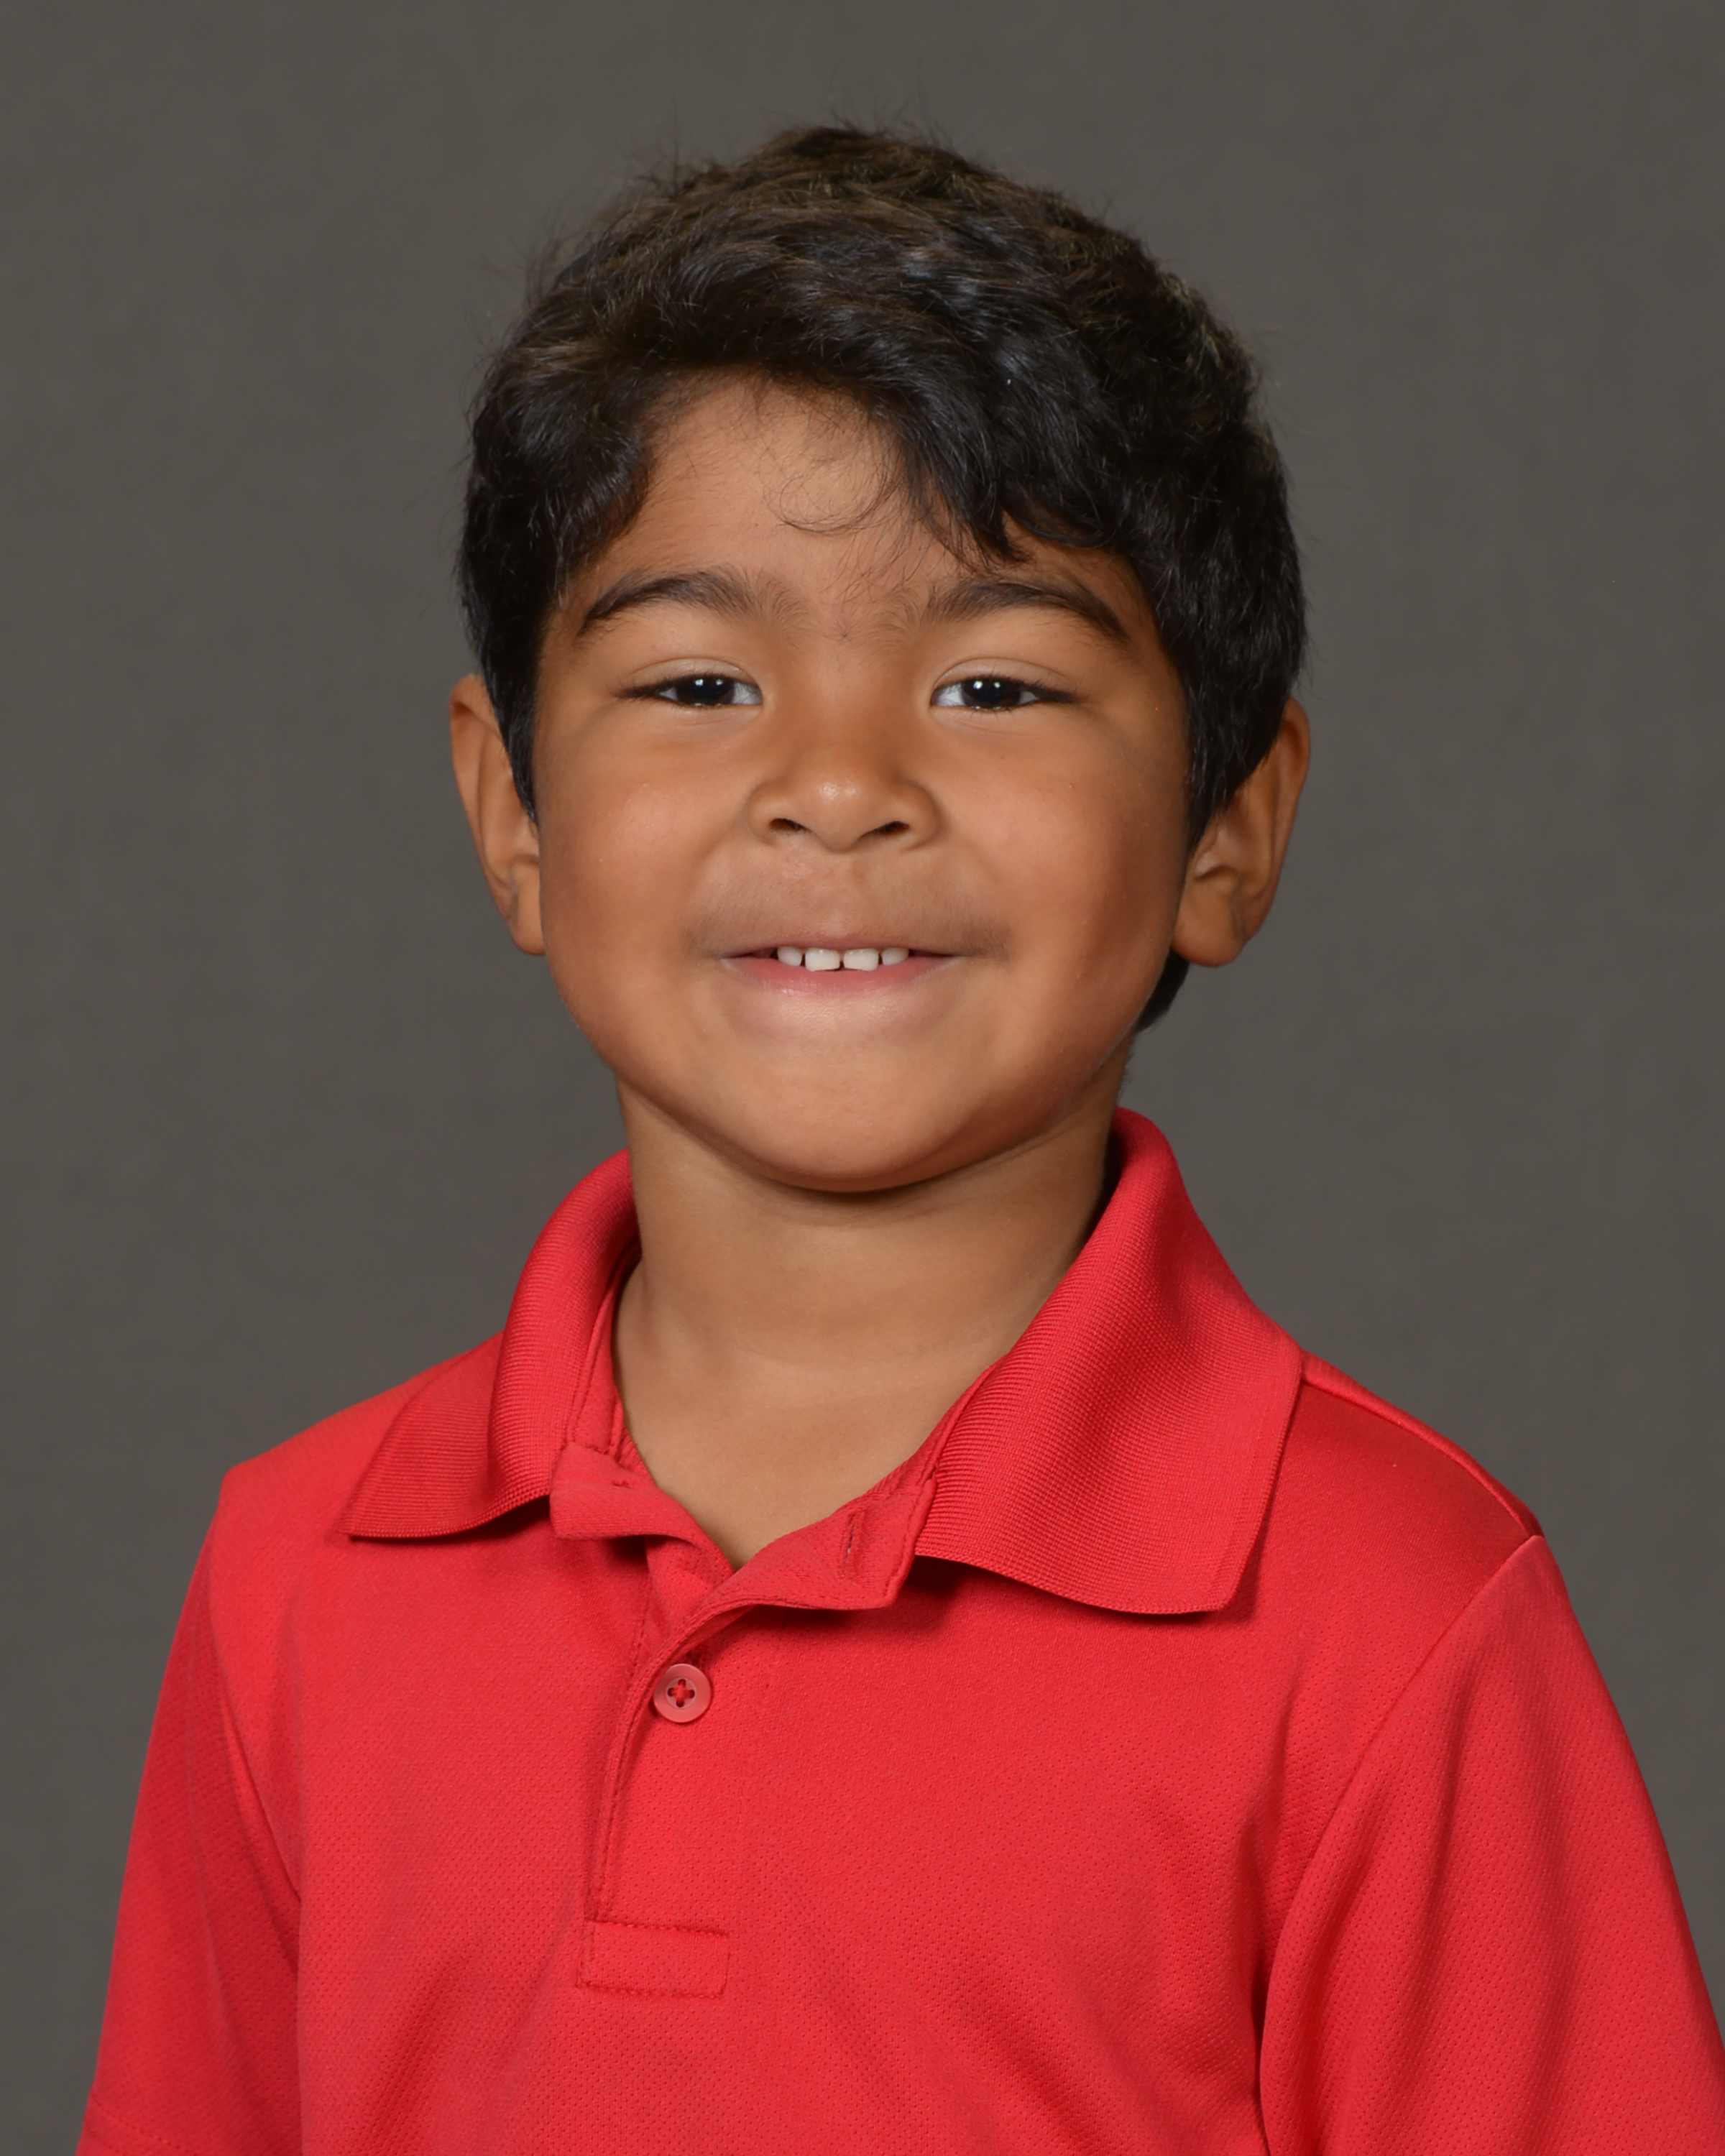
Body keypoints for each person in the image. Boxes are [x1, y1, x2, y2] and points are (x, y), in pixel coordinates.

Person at [79, 127, 1724, 2155]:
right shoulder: (300, 1574)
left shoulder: (1395, 1617)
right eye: (701, 678)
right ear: (513, 816)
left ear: (1229, 827)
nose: (840, 784)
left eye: (993, 683)